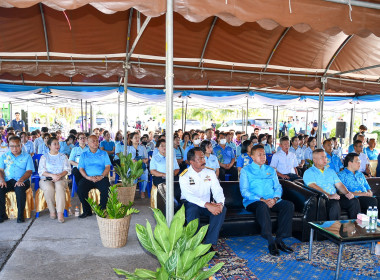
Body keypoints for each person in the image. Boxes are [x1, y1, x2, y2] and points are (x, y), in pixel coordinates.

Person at [240, 145, 294, 256]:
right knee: (262, 206)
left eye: (264, 154)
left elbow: (278, 187)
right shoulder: (246, 171)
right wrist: (261, 199)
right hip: (254, 201)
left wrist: (275, 199)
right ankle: (270, 241)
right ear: (252, 157)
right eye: (259, 155)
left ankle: (279, 239)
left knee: (288, 205)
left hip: (272, 199)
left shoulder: (271, 170)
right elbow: (244, 192)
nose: (263, 157)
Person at [179, 147, 226, 248]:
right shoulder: (184, 175)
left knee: (222, 209)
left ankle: (209, 244)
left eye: (203, 158)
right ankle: (194, 244)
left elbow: (217, 190)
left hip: (206, 205)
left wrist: (220, 203)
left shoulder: (210, 172)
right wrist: (207, 204)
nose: (204, 161)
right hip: (190, 203)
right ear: (191, 162)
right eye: (200, 159)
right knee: (193, 209)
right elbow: (189, 196)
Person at [303, 149, 360, 220]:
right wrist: (328, 195)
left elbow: (339, 185)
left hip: (334, 196)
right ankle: (334, 230)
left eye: (325, 157)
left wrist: (347, 193)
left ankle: (354, 227)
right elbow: (313, 186)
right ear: (314, 160)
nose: (325, 159)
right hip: (321, 199)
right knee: (334, 204)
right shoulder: (309, 172)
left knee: (354, 201)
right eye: (322, 157)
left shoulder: (330, 171)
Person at [0, 136, 34, 223]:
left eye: (17, 146)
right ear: (9, 146)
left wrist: (21, 180)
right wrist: (2, 180)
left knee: (19, 189)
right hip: (8, 180)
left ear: (21, 145)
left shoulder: (27, 156)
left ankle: (20, 215)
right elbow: (0, 170)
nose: (14, 148)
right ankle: (2, 215)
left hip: (22, 180)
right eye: (12, 146)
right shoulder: (4, 156)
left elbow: (29, 171)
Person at [77, 135, 111, 219]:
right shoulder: (84, 155)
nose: (96, 142)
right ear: (88, 143)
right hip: (88, 178)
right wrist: (87, 177)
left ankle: (100, 210)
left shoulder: (104, 153)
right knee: (80, 189)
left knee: (107, 189)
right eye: (93, 141)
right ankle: (87, 211)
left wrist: (102, 176)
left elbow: (107, 167)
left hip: (101, 177)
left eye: (97, 141)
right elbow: (81, 168)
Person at [38, 137, 71, 223]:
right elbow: (41, 171)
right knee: (49, 188)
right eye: (55, 144)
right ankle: (52, 210)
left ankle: (60, 212)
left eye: (58, 143)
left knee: (59, 186)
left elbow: (67, 169)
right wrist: (51, 175)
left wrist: (59, 175)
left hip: (61, 178)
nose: (57, 146)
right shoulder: (44, 157)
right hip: (46, 179)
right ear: (49, 146)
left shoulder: (63, 156)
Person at [127, 132, 149, 198]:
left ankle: (143, 191)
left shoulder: (142, 148)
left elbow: (146, 158)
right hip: (132, 167)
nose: (137, 139)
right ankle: (132, 191)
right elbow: (126, 160)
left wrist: (142, 160)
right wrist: (132, 161)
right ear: (131, 139)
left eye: (138, 137)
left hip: (141, 166)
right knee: (131, 174)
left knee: (145, 173)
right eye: (135, 138)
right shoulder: (128, 148)